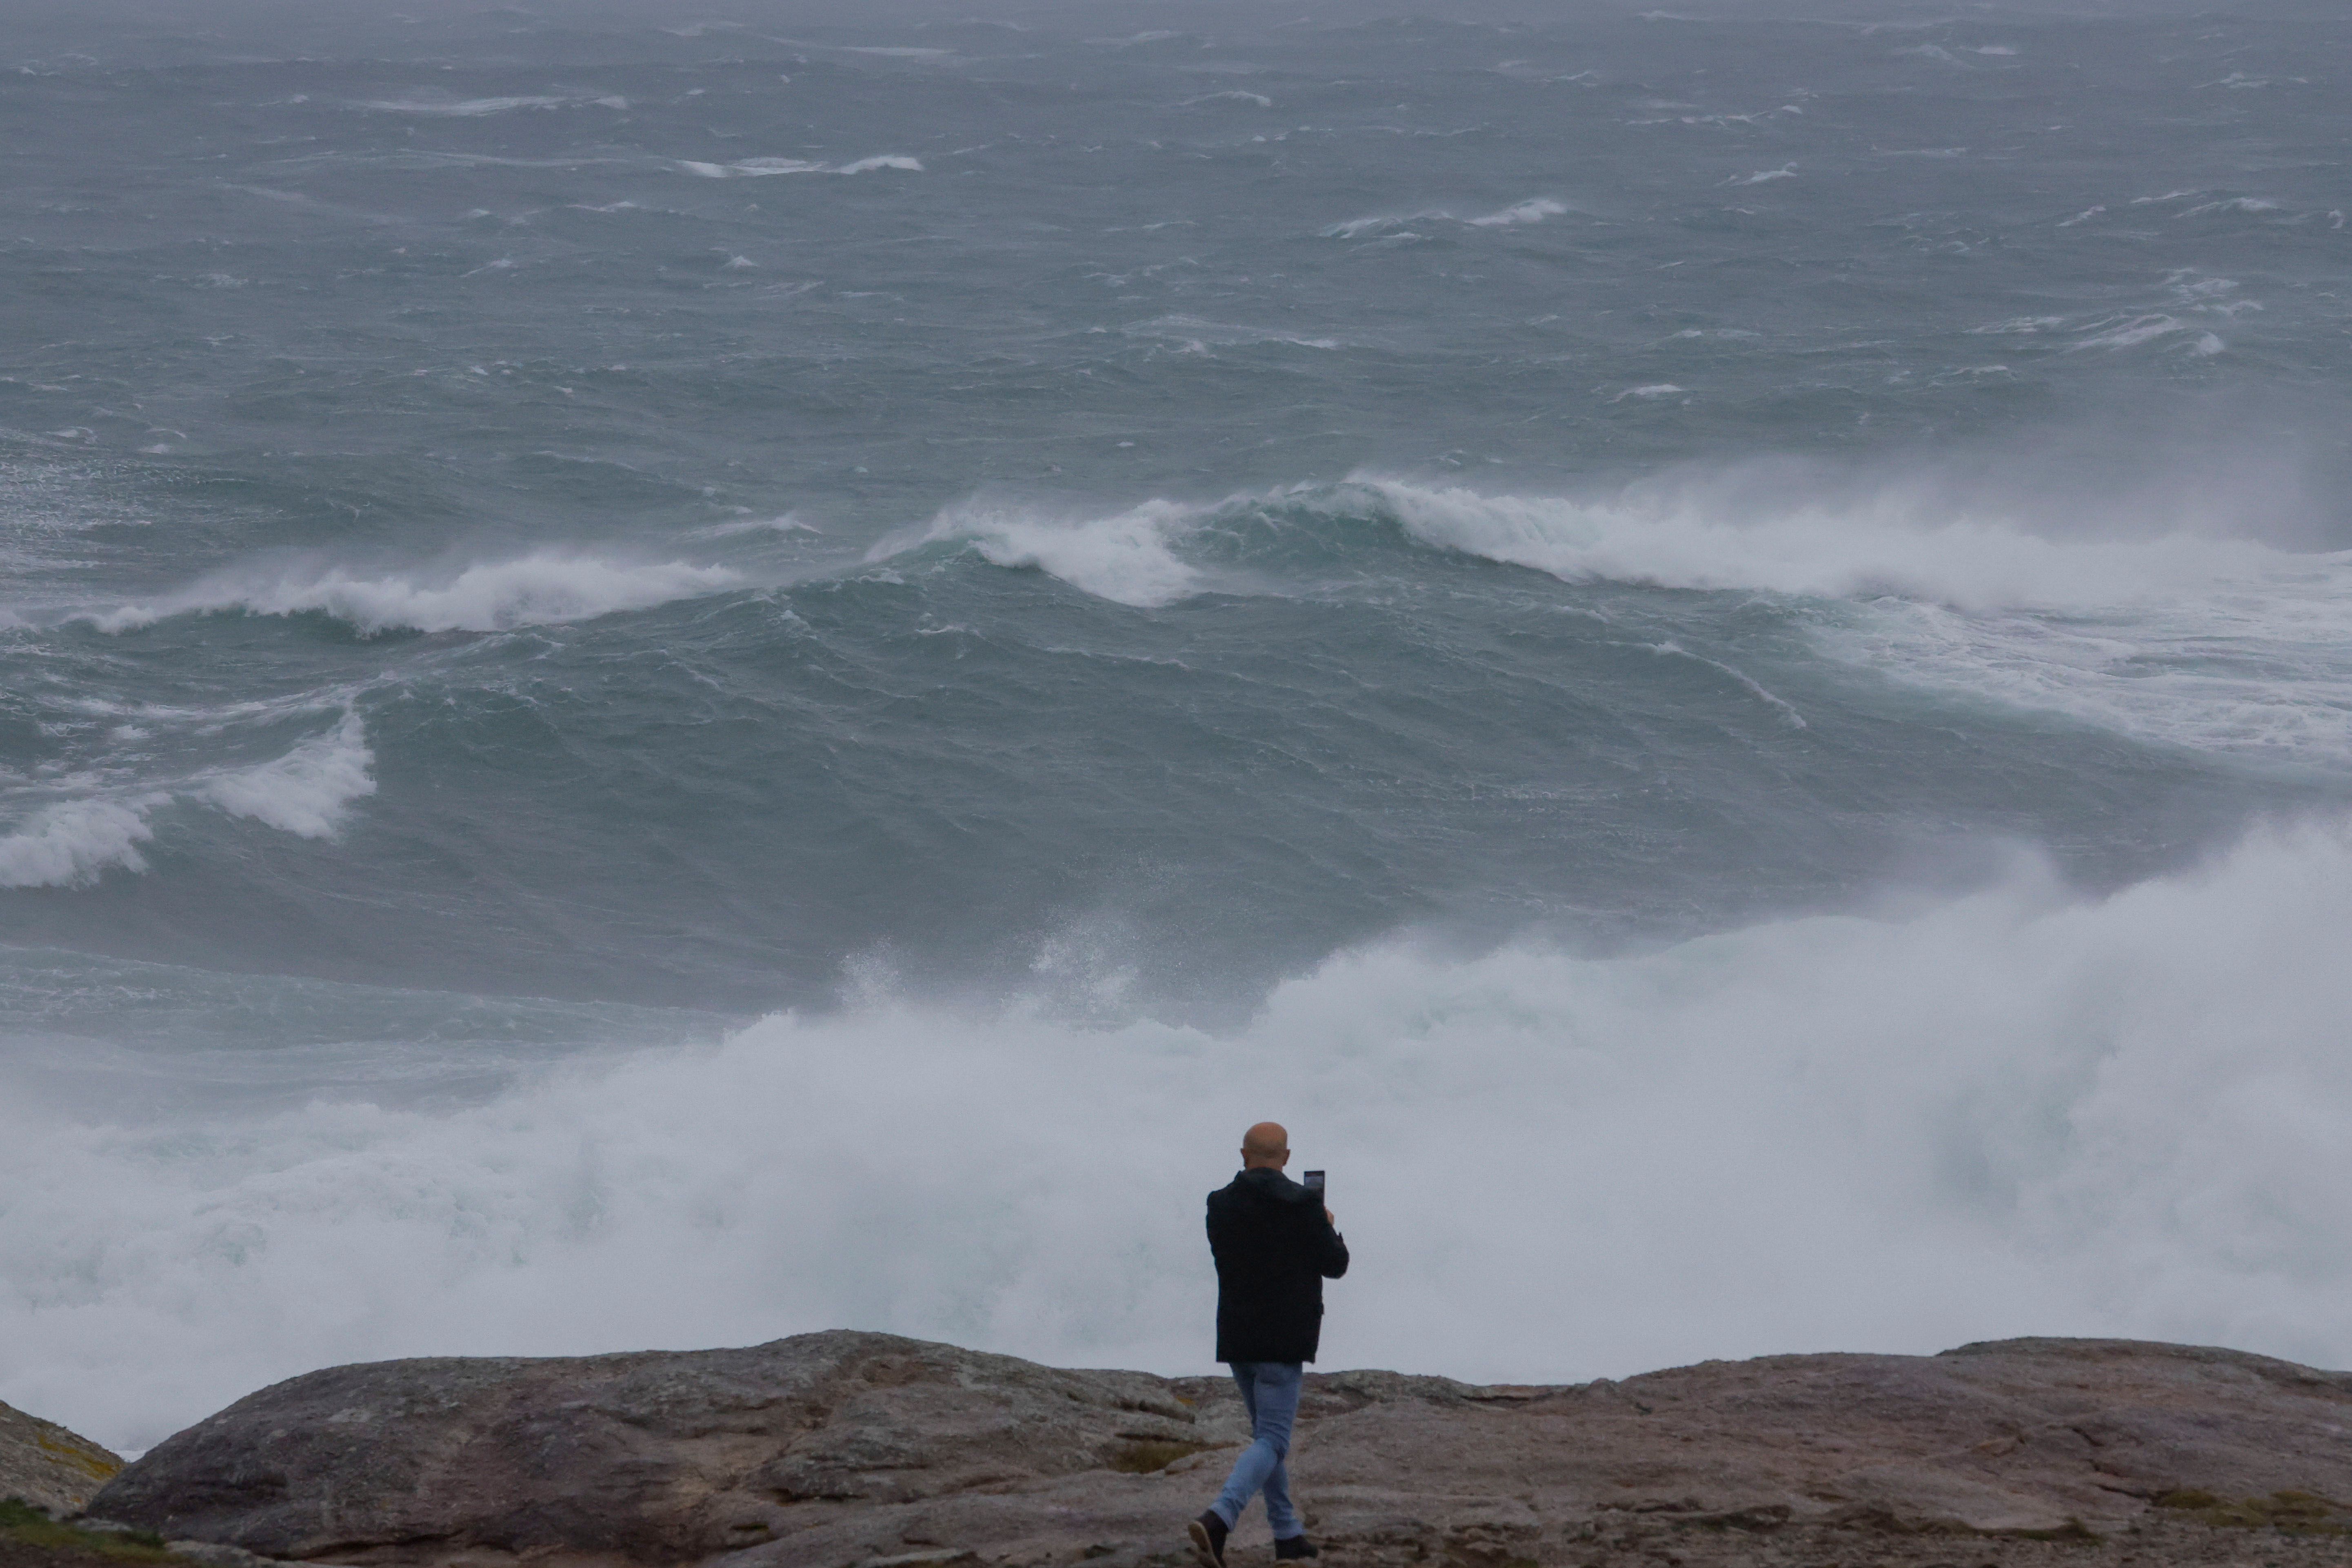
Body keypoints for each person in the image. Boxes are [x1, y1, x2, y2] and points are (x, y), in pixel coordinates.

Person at [1188, 1122, 1349, 1568]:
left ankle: (1287, 1534)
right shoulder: (1303, 1204)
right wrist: (1328, 1224)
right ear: (1287, 1157)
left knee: (1266, 1440)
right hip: (1283, 1339)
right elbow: (1335, 1265)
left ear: (1244, 1155)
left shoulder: (1219, 1203)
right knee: (1275, 1439)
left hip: (1238, 1336)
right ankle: (1220, 1517)